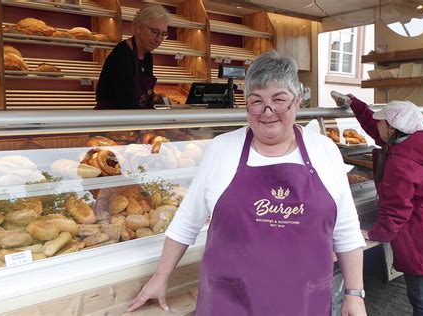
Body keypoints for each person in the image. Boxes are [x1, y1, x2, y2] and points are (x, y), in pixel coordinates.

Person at [127, 51, 367, 315]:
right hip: (228, 302)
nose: (268, 111)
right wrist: (160, 277)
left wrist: (354, 294)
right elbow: (187, 220)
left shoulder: (324, 151)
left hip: (302, 304)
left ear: (297, 102)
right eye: (257, 101)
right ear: (245, 104)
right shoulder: (221, 149)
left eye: (279, 100)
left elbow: (345, 230)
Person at [331, 91, 423, 315]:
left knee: (422, 302)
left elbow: (396, 211)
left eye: (381, 121)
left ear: (392, 128)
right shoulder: (419, 142)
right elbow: (376, 129)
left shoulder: (400, 163)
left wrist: (374, 233)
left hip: (421, 242)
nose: (377, 124)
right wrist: (355, 104)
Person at [95, 3, 168, 109]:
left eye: (163, 34)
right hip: (111, 119)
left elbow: (141, 95)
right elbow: (127, 102)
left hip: (132, 118)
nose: (159, 39)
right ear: (139, 28)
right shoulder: (122, 55)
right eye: (155, 32)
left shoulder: (147, 56)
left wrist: (155, 97)